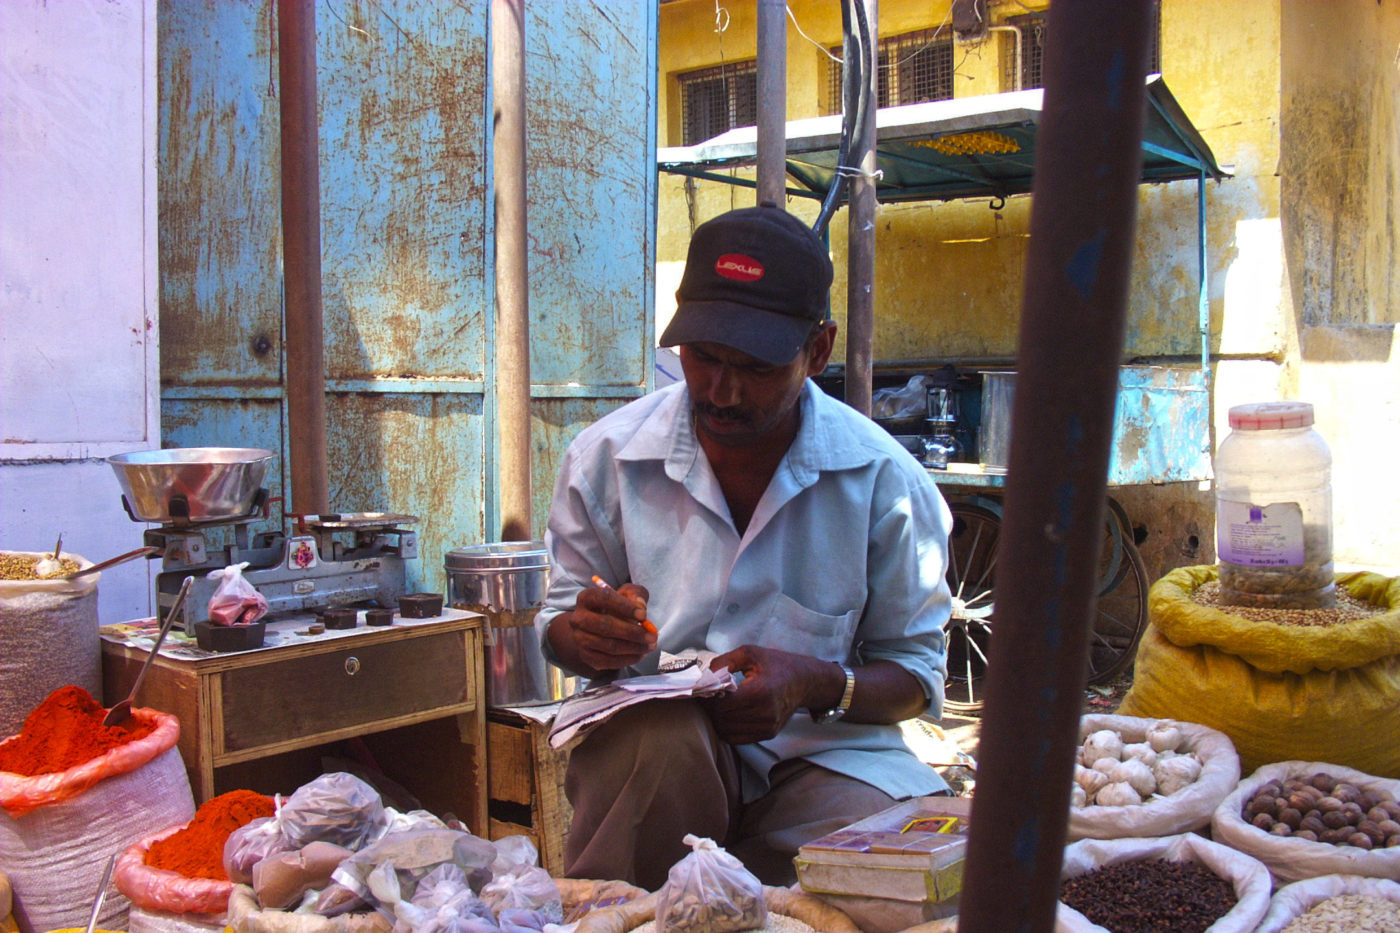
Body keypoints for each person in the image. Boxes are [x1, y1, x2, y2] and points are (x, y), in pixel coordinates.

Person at [534, 202, 953, 890]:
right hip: (661, 764)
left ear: (818, 350)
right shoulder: (604, 458)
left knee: (900, 863)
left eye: (755, 366)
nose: (720, 391)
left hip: (827, 760)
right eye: (702, 357)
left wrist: (818, 682)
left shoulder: (886, 483)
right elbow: (555, 631)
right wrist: (583, 635)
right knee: (653, 744)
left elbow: (915, 676)